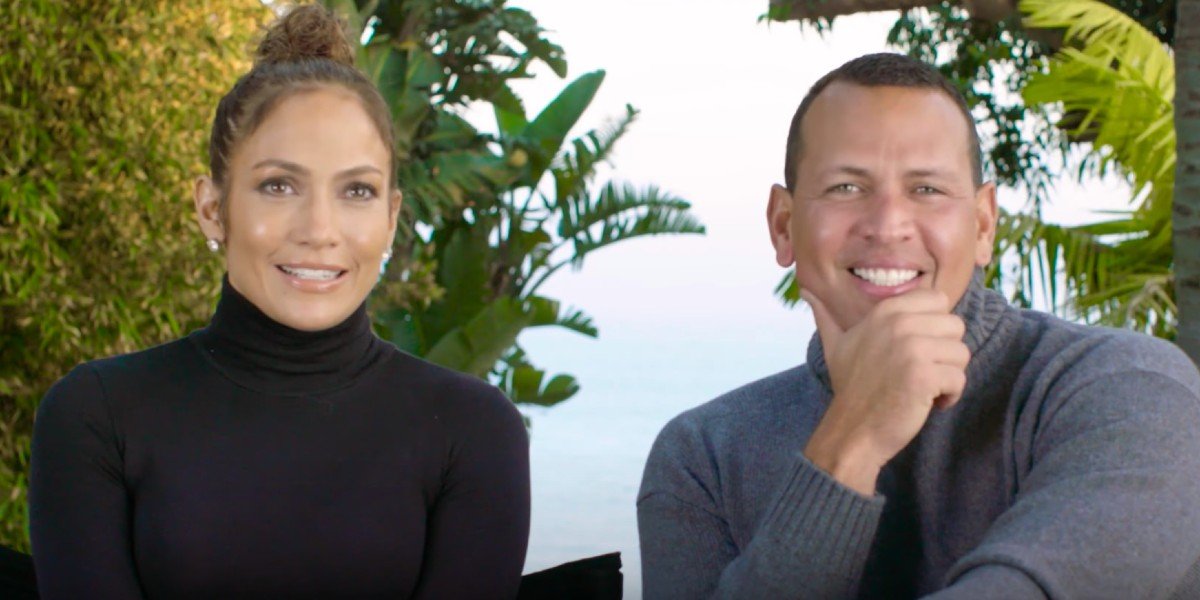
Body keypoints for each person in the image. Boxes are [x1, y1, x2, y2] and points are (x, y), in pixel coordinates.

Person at [637, 52, 1200, 599]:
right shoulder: (701, 456)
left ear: (983, 225)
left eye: (926, 189)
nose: (887, 226)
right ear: (783, 226)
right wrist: (848, 444)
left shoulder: (1128, 390)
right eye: (846, 188)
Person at [28, 5, 530, 598]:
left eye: (357, 191)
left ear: (391, 217)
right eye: (278, 185)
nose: (320, 229)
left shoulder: (472, 433)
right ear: (212, 208)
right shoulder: (97, 417)